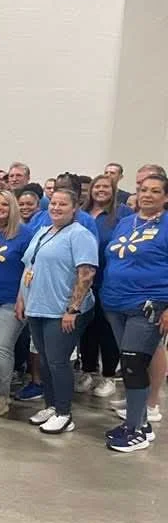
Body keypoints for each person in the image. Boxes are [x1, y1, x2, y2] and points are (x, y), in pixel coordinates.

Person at [18, 189, 97, 434]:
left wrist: (72, 309)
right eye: (53, 203)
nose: (56, 208)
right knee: (44, 360)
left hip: (63, 310)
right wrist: (22, 298)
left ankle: (64, 413)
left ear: (75, 208)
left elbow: (86, 274)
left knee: (58, 361)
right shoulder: (42, 232)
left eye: (63, 204)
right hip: (37, 307)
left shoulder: (80, 235)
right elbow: (29, 266)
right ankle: (51, 406)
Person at [102, 174, 168, 451]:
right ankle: (140, 422)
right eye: (143, 190)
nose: (147, 195)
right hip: (115, 304)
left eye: (155, 191)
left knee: (132, 365)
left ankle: (135, 430)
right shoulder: (126, 222)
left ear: (165, 197)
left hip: (148, 305)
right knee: (131, 365)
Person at [0, 190, 35, 416]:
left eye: (4, 204)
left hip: (13, 301)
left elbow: (31, 269)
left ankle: (3, 397)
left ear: (13, 208)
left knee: (2, 349)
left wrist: (23, 298)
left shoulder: (25, 234)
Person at [77, 174, 130, 399]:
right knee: (86, 329)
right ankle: (88, 371)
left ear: (114, 189)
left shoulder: (123, 214)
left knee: (106, 329)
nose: (100, 190)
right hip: (82, 280)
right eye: (97, 186)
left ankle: (108, 375)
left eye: (105, 186)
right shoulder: (82, 214)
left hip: (108, 281)